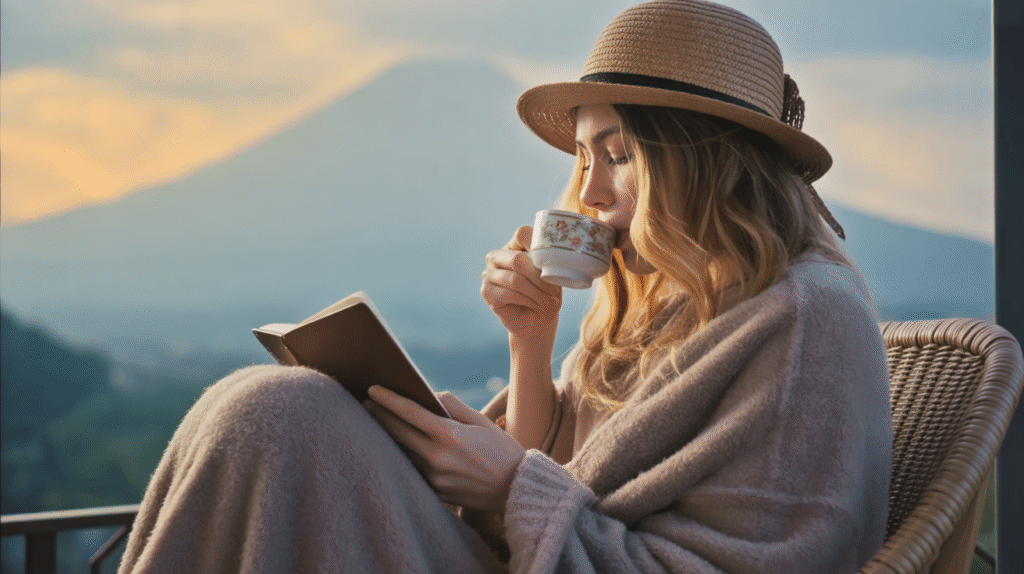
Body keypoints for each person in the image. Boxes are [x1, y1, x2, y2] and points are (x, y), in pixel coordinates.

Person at [118, 1, 892, 572]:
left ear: (703, 158)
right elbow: (552, 483)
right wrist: (531, 342)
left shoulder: (806, 321)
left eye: (617, 156)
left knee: (278, 413)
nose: (586, 195)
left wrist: (512, 488)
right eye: (584, 160)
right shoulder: (678, 305)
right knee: (277, 405)